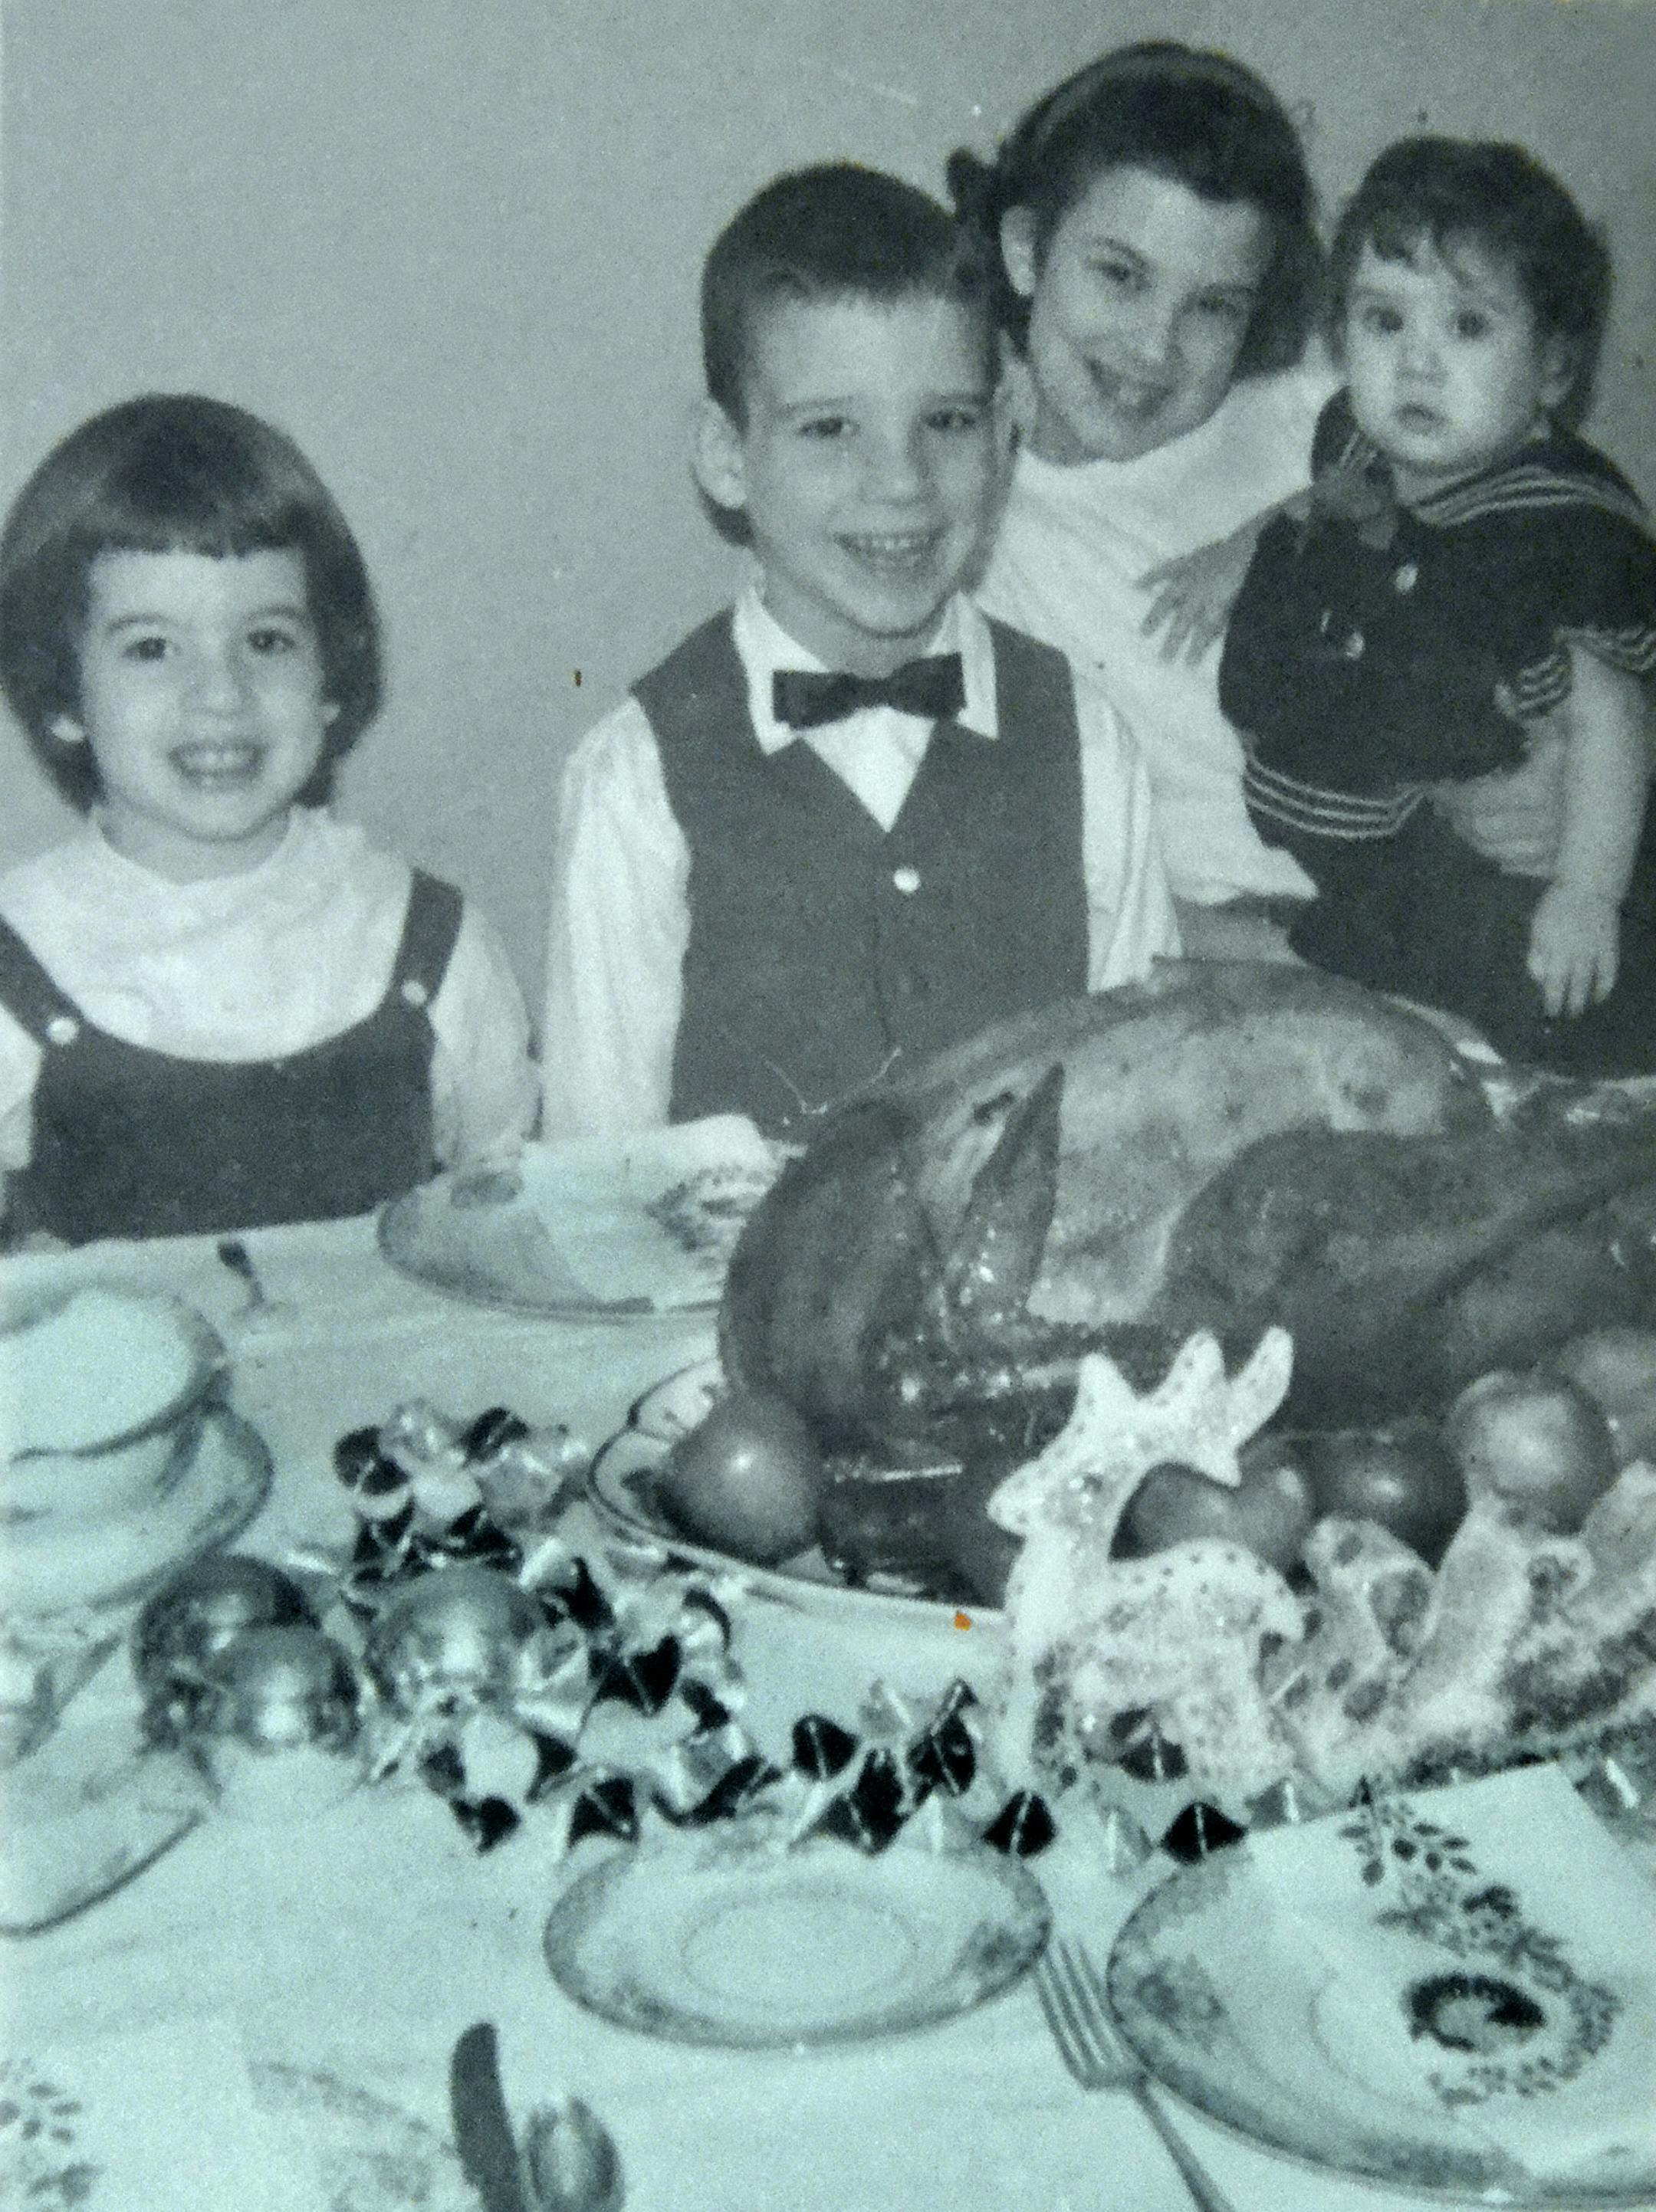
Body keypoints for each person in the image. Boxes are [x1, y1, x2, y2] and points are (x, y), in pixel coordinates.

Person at [541, 162, 1177, 1140]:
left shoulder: (1088, 741)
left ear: (1005, 438)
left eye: (948, 422)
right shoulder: (637, 776)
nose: (902, 484)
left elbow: (1141, 1111)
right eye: (831, 429)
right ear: (725, 457)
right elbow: (601, 1169)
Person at [0, 394, 535, 1242]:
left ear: (332, 673)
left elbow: (501, 1216)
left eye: (267, 641)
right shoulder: (18, 959)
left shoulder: (430, 944)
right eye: (151, 648)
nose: (220, 695)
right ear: (62, 694)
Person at [1220, 139, 1656, 1075]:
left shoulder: (1545, 532)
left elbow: (1611, 713)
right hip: (1419, 855)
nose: (1417, 362)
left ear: (1551, 372)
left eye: (1467, 327)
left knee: (1560, 1005)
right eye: (1384, 321)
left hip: (1572, 865)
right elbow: (1336, 507)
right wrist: (1230, 555)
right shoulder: (1371, 455)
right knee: (1373, 968)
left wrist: (1587, 894)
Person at [952, 41, 1329, 943]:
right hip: (1208, 960)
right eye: (1120, 275)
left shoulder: (1312, 421)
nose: (1156, 347)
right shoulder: (975, 525)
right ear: (1025, 252)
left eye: (1214, 307)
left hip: (1442, 925)